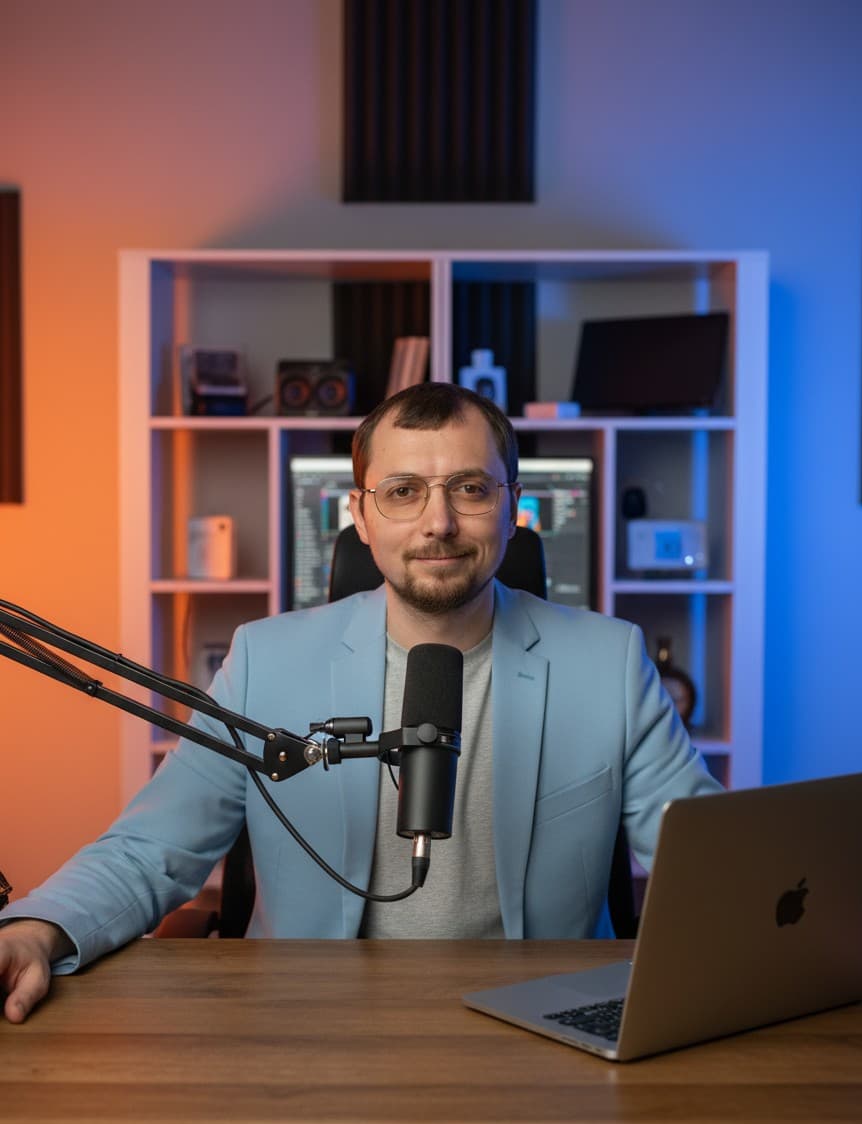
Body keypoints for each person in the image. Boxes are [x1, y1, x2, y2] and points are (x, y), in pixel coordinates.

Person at [0, 382, 721, 1022]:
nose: (438, 523)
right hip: (312, 1025)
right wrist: (37, 930)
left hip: (543, 1028)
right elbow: (152, 850)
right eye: (403, 491)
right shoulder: (266, 660)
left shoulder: (609, 661)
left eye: (471, 488)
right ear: (361, 516)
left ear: (513, 509)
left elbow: (706, 863)